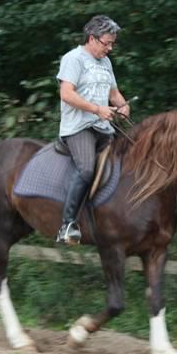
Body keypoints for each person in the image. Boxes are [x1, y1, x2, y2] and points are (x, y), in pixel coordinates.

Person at [55, 14, 130, 245]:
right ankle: (67, 224)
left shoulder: (105, 63)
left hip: (103, 127)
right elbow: (66, 94)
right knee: (87, 169)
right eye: (106, 43)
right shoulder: (74, 59)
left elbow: (114, 93)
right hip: (79, 128)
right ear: (92, 38)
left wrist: (123, 106)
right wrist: (97, 109)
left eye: (112, 44)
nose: (109, 48)